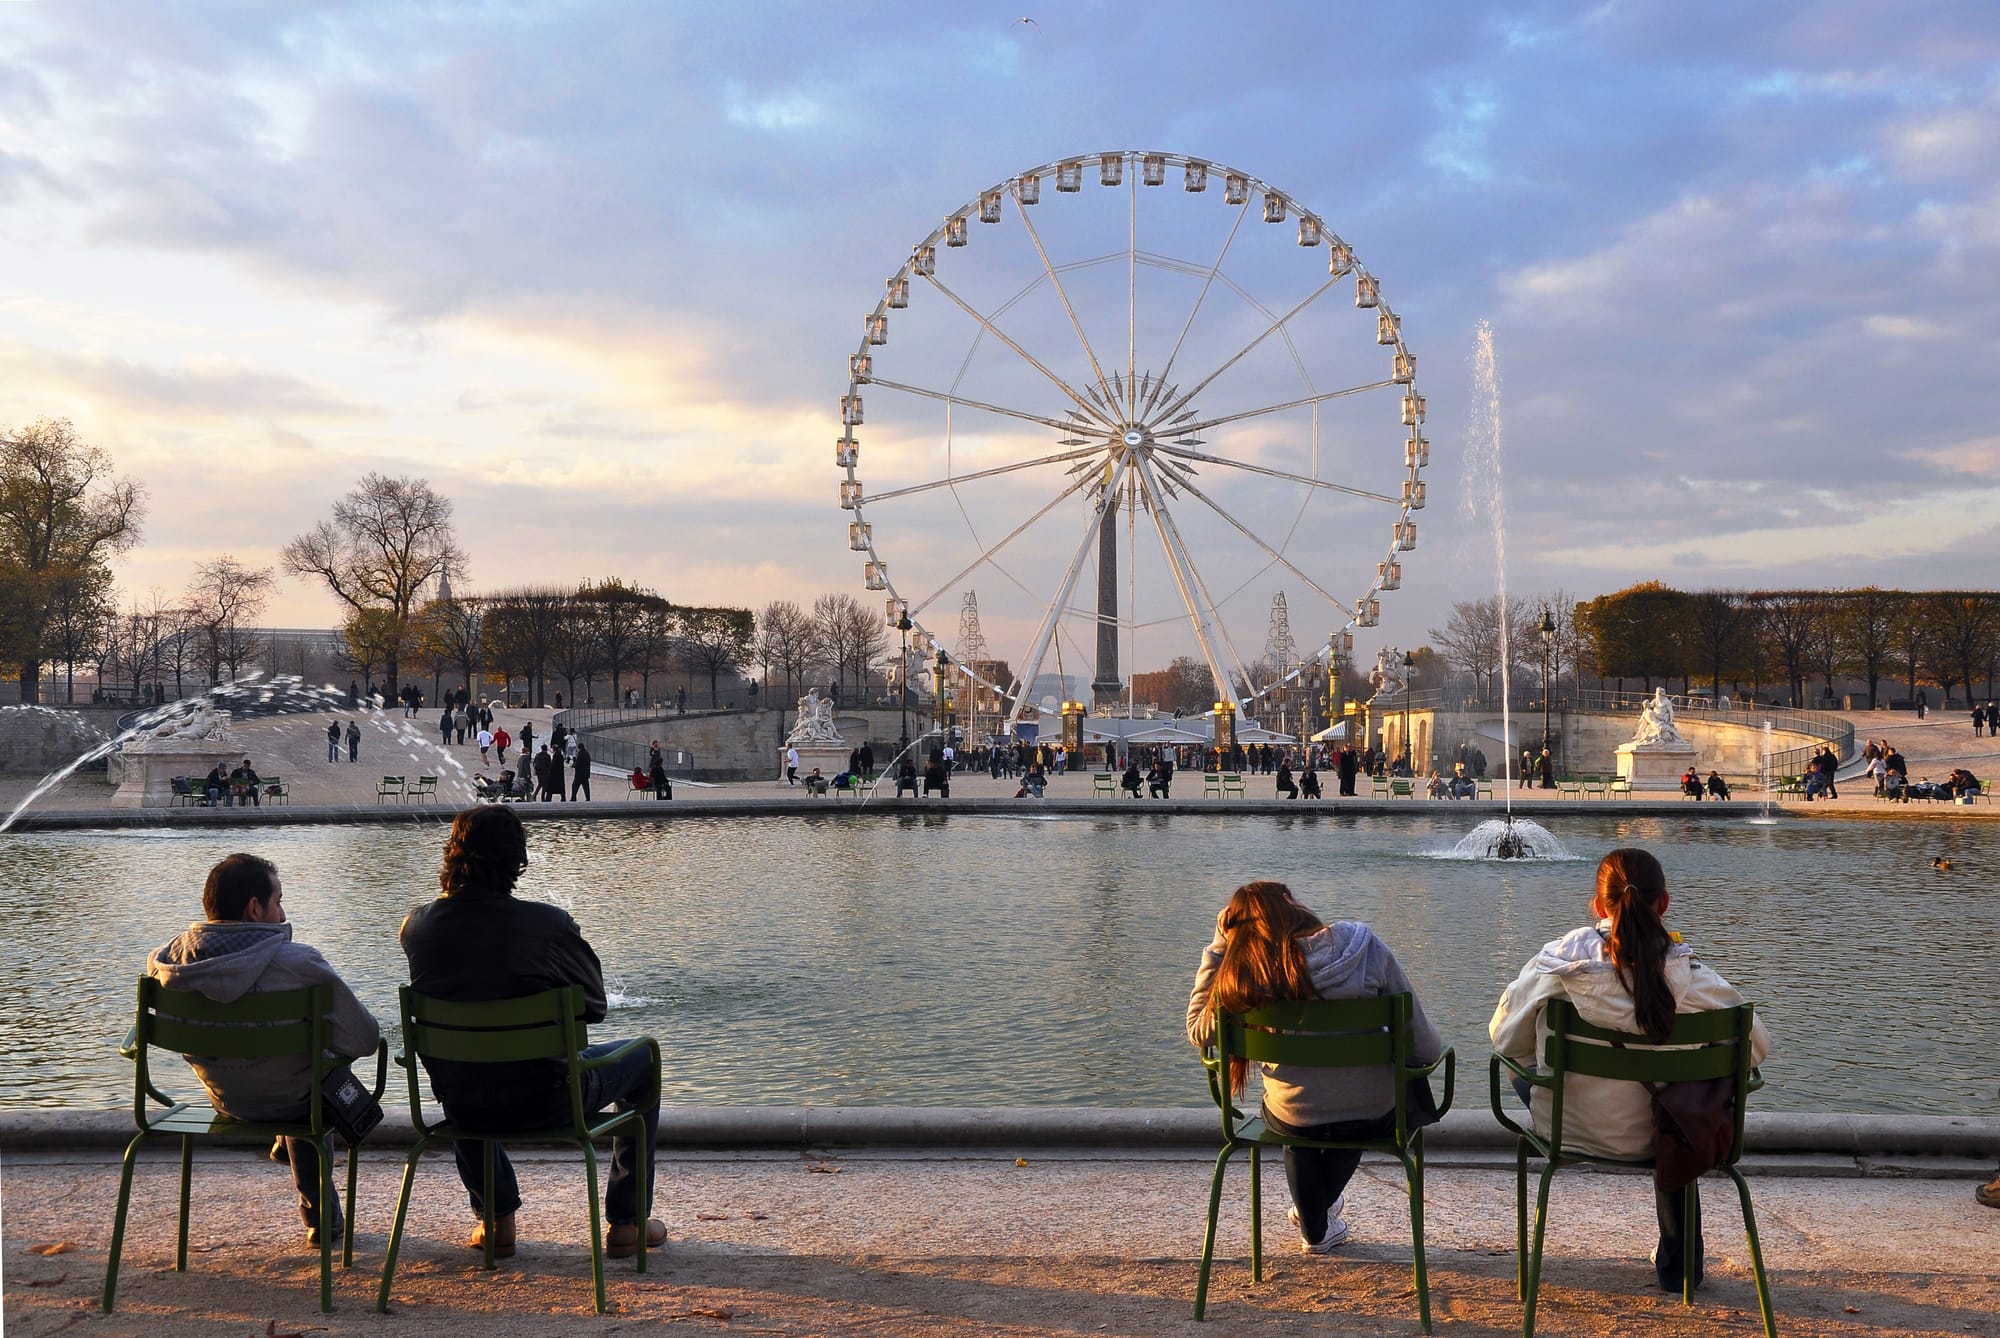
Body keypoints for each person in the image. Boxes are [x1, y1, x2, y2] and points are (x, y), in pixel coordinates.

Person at [1490, 847, 1772, 1294]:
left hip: (1570, 1127)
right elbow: (1755, 1049)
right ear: (1664, 903)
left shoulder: (1557, 967)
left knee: (1517, 1067)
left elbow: (1504, 1039)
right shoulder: (1694, 978)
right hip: (1670, 1135)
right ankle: (1679, 1266)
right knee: (1682, 1102)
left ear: (1599, 906)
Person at [401, 807, 664, 1261]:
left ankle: (496, 1220)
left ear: (451, 855)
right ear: (518, 859)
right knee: (646, 1058)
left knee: (467, 1069)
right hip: (551, 1099)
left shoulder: (417, 928)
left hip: (463, 1105)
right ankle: (627, 1222)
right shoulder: (549, 926)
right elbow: (595, 1006)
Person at [1187, 881, 1443, 1255]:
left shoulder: (1245, 975)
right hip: (1374, 1113)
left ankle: (1316, 1227)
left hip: (1293, 1116)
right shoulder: (1363, 945)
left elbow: (1198, 1030)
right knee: (1363, 1104)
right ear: (1291, 903)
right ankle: (1318, 1222)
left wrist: (1218, 947)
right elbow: (1427, 1047)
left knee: (1297, 1115)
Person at [147, 854, 381, 1248]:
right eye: (278, 901)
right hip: (295, 1101)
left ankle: (286, 1146)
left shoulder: (167, 965)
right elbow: (365, 1040)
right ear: (255, 908)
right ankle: (322, 1220)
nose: (283, 911)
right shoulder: (300, 963)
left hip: (226, 1100)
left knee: (288, 1070)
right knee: (311, 1084)